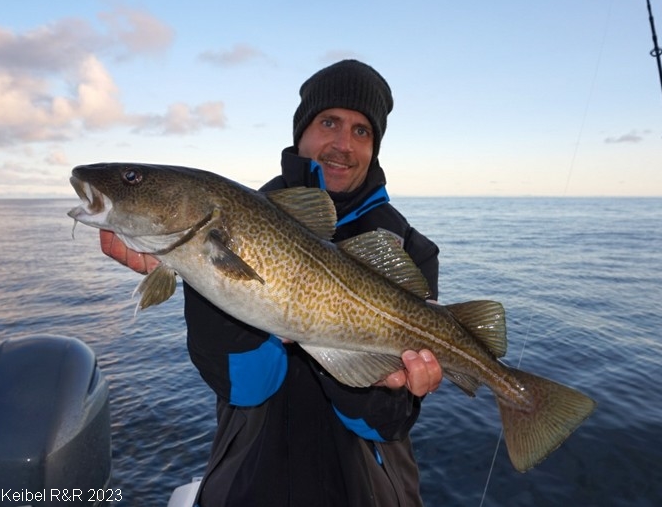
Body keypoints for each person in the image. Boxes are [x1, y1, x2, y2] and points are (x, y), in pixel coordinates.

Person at [101, 60, 442, 506]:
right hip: (251, 482)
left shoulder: (410, 249)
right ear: (301, 132)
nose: (343, 144)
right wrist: (194, 265)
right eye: (329, 122)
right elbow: (247, 387)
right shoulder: (239, 219)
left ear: (375, 147)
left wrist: (377, 381)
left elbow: (387, 424)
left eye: (362, 131)